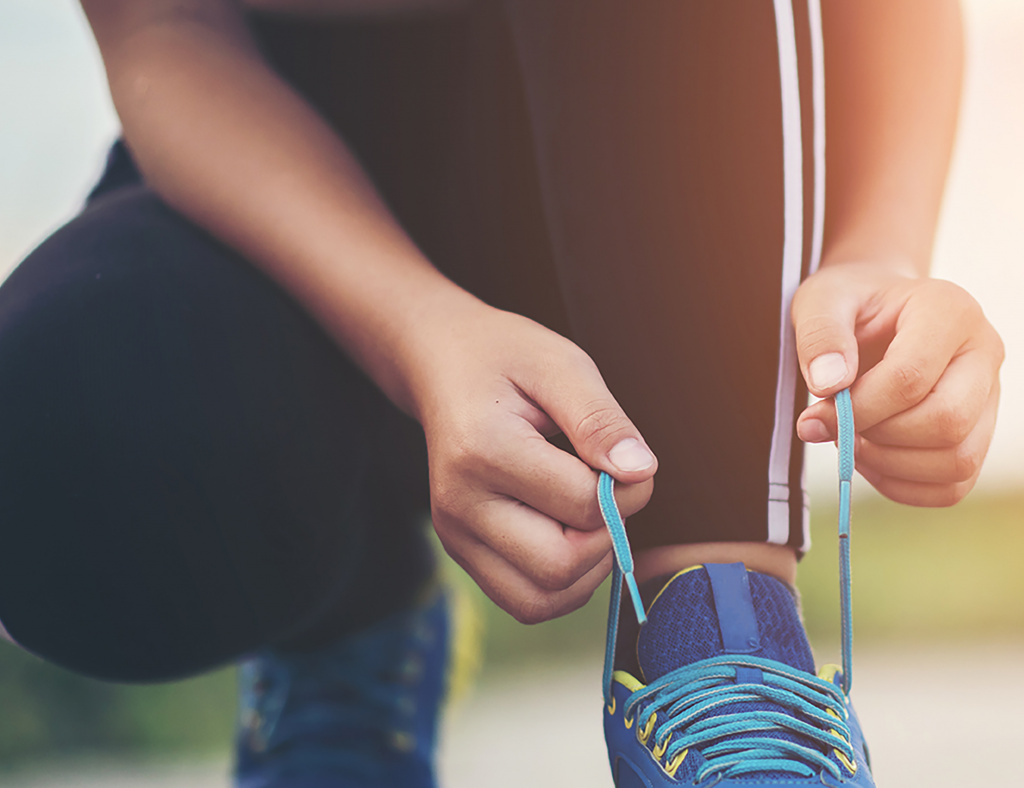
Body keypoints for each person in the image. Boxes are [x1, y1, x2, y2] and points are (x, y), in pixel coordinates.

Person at [0, 0, 1002, 786]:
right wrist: (420, 332)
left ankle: (724, 643)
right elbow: (163, 25)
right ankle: (353, 621)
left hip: (662, 174)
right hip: (295, 173)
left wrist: (877, 250)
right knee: (58, 431)